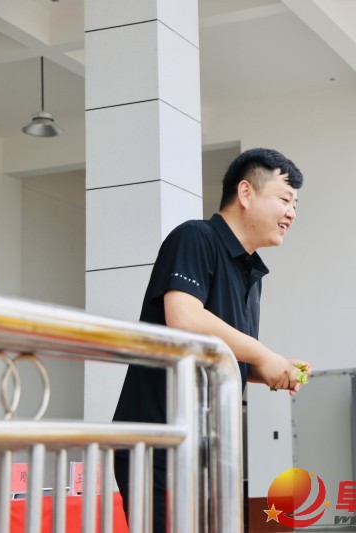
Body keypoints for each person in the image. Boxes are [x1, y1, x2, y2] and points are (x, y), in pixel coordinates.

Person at [112, 147, 311, 532]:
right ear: (246, 192)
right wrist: (263, 354)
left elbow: (226, 356)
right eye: (285, 199)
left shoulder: (251, 273)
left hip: (207, 449)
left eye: (295, 205)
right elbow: (184, 318)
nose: (291, 213)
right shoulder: (195, 237)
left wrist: (275, 369)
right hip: (159, 442)